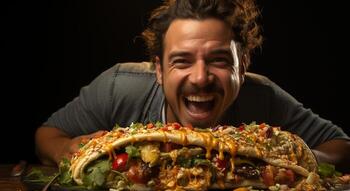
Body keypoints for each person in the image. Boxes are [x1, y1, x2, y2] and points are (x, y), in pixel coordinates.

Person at [35, 0, 350, 172]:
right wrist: (66, 150)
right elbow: (46, 135)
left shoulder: (263, 97)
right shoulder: (119, 86)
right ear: (158, 69)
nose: (200, 78)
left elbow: (341, 146)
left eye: (219, 60)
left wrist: (291, 159)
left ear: (244, 66)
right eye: (182, 61)